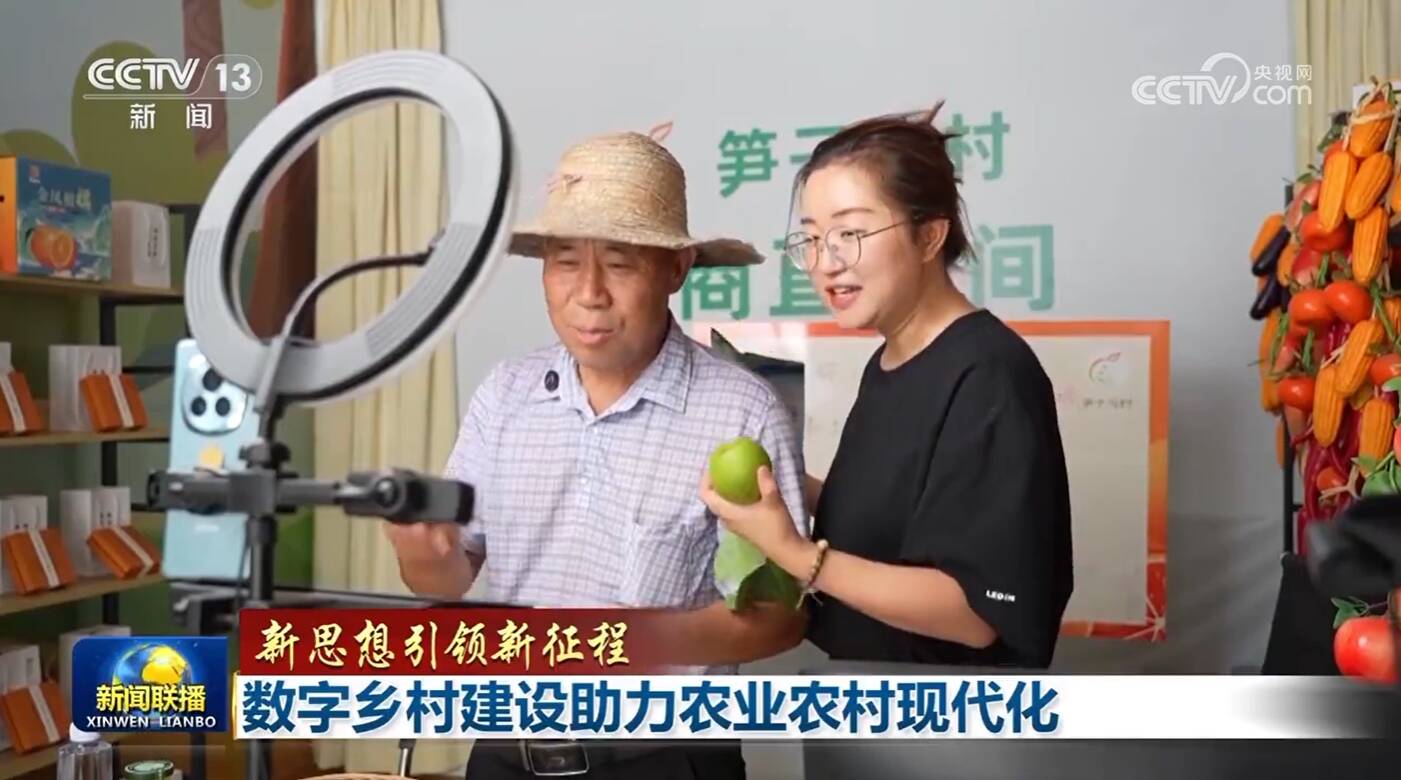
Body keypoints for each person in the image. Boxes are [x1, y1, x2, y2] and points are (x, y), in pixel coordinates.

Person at [384, 131, 808, 779]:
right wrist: (422, 552)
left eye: (619, 263)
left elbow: (780, 619)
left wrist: (637, 640)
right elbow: (447, 579)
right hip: (505, 753)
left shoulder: (739, 412)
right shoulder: (506, 395)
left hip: (664, 760)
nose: (588, 293)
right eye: (563, 261)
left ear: (676, 268)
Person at [700, 105, 1074, 669]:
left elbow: (974, 614)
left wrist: (795, 554)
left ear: (929, 236)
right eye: (813, 239)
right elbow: (894, 520)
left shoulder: (989, 373)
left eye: (850, 233)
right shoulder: (890, 361)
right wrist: (784, 487)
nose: (826, 263)